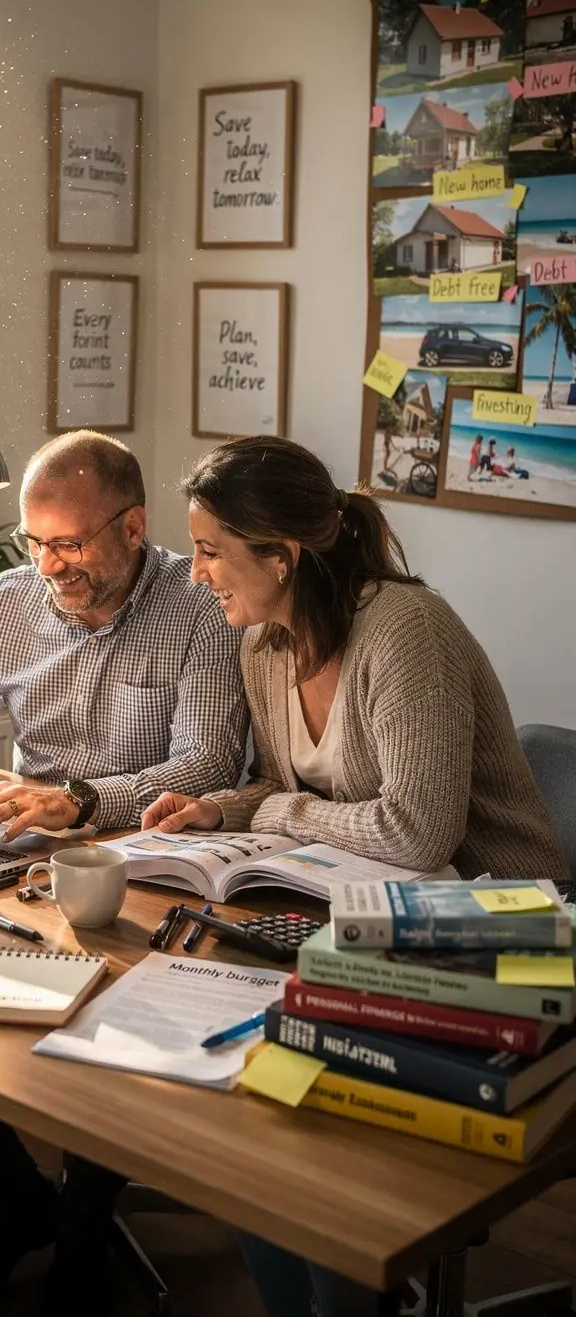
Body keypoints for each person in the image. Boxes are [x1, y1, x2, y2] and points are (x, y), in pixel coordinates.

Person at [141, 435, 567, 1317]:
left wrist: (266, 813)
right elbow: (290, 789)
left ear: (281, 553)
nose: (196, 576)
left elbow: (416, 831)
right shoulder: (265, 642)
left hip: (492, 930)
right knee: (254, 1096)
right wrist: (218, 809)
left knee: (308, 1119)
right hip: (360, 918)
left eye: (212, 552)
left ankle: (361, 1292)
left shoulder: (406, 632)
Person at [0, 430, 248, 1317]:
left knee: (112, 1027)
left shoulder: (199, 608)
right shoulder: (8, 604)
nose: (51, 566)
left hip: (147, 865)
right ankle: (11, 1211)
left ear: (133, 526)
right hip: (19, 861)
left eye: (72, 544)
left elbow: (207, 764)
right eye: (36, 543)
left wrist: (81, 801)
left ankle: (84, 1232)